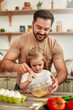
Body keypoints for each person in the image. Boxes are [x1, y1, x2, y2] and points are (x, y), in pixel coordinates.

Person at [1, 9, 67, 94]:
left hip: (43, 90)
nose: (42, 32)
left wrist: (56, 81)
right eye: (39, 28)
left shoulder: (54, 45)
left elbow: (62, 71)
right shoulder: (20, 40)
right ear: (32, 24)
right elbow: (4, 63)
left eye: (46, 29)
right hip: (22, 88)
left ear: (50, 28)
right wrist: (16, 67)